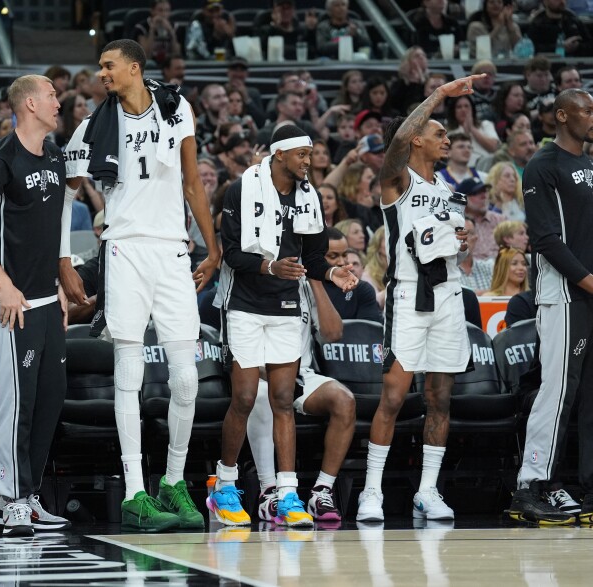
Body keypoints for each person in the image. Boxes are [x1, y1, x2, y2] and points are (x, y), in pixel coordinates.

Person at [63, 39, 219, 531]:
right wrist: (63, 259)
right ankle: (134, 490)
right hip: (125, 249)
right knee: (128, 372)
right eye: (100, 67)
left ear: (134, 68)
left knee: (186, 378)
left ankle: (173, 482)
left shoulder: (177, 109)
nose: (101, 74)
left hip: (173, 250)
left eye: (109, 66)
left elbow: (193, 183)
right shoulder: (91, 126)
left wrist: (211, 248)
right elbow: (64, 196)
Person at [208, 127, 356, 527]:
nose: (308, 161)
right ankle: (223, 484)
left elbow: (314, 256)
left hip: (286, 304)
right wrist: (270, 265)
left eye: (311, 155)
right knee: (242, 398)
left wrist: (332, 274)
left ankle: (289, 493)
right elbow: (232, 254)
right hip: (244, 303)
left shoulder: (309, 197)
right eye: (302, 155)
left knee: (282, 397)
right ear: (278, 155)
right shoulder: (242, 189)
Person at [355, 73, 480, 523]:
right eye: (439, 132)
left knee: (440, 398)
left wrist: (463, 239)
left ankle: (427, 491)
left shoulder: (449, 190)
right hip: (409, 296)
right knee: (393, 396)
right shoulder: (397, 181)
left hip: (448, 294)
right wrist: (440, 94)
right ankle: (372, 491)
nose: (447, 138)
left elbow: (449, 241)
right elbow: (402, 137)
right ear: (417, 143)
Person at [0, 74, 73, 537]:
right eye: (51, 95)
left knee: (48, 402)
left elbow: (53, 225)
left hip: (47, 299)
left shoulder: (55, 156)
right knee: (15, 405)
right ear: (29, 103)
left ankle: (29, 493)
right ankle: (9, 500)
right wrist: (2, 284)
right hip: (13, 305)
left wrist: (61, 283)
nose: (58, 102)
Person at [508, 88, 593, 526]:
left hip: (590, 291)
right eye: (586, 110)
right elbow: (544, 239)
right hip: (563, 292)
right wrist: (588, 280)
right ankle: (531, 485)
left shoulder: (590, 164)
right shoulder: (543, 165)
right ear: (562, 115)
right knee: (558, 388)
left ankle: (587, 485)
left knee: (588, 393)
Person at [246, 282, 357, 524]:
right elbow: (240, 352)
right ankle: (269, 492)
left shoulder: (305, 285)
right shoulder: (249, 281)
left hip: (301, 374)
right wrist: (278, 377)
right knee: (263, 393)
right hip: (260, 373)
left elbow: (334, 333)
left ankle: (322, 492)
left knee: (344, 400)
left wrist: (316, 280)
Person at [133, 0, 182, 66]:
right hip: (148, 66)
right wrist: (152, 30)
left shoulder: (175, 27)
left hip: (168, 65)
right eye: (160, 10)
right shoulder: (142, 28)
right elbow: (146, 56)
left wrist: (171, 31)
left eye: (167, 10)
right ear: (152, 11)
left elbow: (177, 55)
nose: (164, 14)